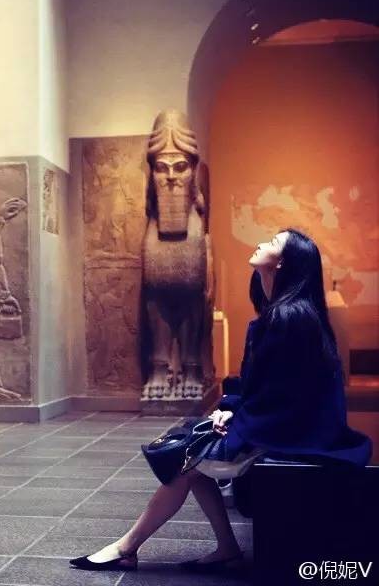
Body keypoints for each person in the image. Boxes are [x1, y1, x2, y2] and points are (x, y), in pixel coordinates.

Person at [70, 228, 373, 573]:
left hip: (297, 433)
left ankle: (127, 547)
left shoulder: (291, 318)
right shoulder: (278, 314)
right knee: (190, 448)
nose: (261, 243)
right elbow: (264, 386)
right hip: (281, 422)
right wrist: (230, 410)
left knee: (186, 457)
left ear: (282, 263)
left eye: (273, 243)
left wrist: (237, 420)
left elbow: (291, 396)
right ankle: (221, 548)